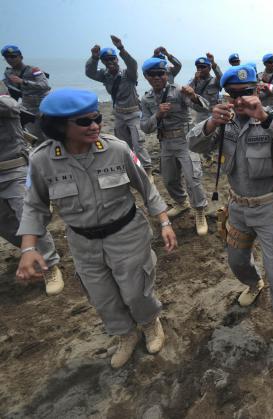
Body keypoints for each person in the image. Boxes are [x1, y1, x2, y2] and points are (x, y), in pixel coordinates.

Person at [15, 88, 177, 368]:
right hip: (83, 243)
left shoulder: (116, 149)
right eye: (84, 121)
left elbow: (146, 188)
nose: (94, 126)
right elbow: (34, 206)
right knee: (102, 297)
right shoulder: (42, 160)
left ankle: (150, 323)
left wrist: (164, 222)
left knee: (137, 290)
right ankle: (125, 334)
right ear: (59, 126)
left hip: (127, 235)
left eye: (97, 119)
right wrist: (29, 247)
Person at [187, 64, 273, 366]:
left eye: (248, 92)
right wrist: (209, 124)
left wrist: (264, 116)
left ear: (257, 91)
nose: (241, 100)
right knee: (237, 261)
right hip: (238, 208)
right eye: (235, 95)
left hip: (269, 208)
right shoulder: (224, 123)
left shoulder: (272, 118)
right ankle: (254, 284)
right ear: (227, 96)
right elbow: (193, 143)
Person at [0, 81, 64, 295]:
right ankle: (30, 250)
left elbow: (11, 105)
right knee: (4, 223)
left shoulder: (4, 99)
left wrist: (23, 83)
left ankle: (50, 265)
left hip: (13, 168)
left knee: (28, 214)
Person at [139, 57, 210, 236]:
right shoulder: (146, 98)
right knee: (169, 180)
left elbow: (204, 109)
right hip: (165, 142)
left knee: (193, 179)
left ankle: (200, 211)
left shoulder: (179, 91)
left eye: (161, 73)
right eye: (152, 74)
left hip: (185, 140)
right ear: (146, 76)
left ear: (166, 74)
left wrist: (193, 96)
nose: (157, 77)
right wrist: (158, 115)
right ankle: (181, 203)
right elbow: (145, 127)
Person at [85, 35, 153, 180]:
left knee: (138, 144)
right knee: (124, 146)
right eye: (106, 59)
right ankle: (130, 169)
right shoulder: (105, 75)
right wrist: (94, 57)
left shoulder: (128, 74)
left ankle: (147, 170)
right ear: (103, 61)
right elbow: (89, 73)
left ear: (117, 59)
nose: (110, 62)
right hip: (119, 115)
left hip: (134, 113)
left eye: (112, 58)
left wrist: (121, 48)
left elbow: (132, 63)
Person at [2, 44, 50, 144]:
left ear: (21, 57)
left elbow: (44, 85)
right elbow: (6, 88)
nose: (10, 59)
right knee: (35, 136)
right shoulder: (8, 73)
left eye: (13, 56)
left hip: (44, 105)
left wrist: (23, 82)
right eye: (7, 57)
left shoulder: (34, 70)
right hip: (28, 107)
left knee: (49, 134)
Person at [188, 53, 223, 167]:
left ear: (209, 68)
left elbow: (222, 79)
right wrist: (195, 80)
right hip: (201, 113)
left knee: (219, 135)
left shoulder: (215, 81)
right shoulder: (194, 80)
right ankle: (208, 158)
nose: (200, 69)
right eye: (198, 67)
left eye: (203, 67)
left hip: (215, 111)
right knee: (204, 135)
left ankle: (219, 157)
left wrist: (214, 63)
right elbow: (187, 92)